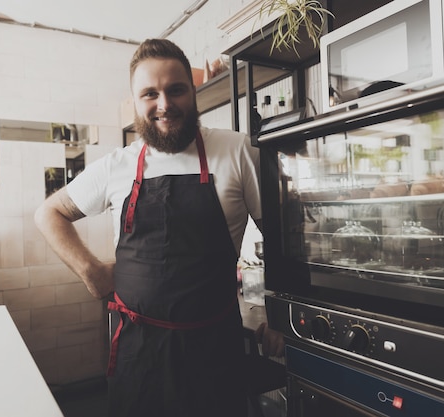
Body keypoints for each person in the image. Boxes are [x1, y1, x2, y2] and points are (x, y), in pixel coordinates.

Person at [34, 38, 284, 417]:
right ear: (135, 102)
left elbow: (282, 236)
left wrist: (280, 314)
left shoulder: (237, 151)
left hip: (214, 350)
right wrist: (91, 271)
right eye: (150, 93)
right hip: (139, 355)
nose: (164, 104)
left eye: (176, 90)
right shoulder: (116, 165)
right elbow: (49, 213)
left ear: (193, 93)